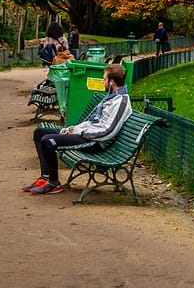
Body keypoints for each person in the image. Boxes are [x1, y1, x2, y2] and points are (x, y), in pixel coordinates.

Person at [23, 62, 132, 195]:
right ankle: (45, 178)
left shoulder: (121, 102)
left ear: (112, 82)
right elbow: (93, 121)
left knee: (48, 141)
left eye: (104, 79)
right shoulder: (111, 97)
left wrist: (80, 132)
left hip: (95, 142)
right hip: (87, 135)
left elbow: (108, 131)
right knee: (39, 133)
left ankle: (53, 183)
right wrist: (74, 128)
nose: (103, 82)